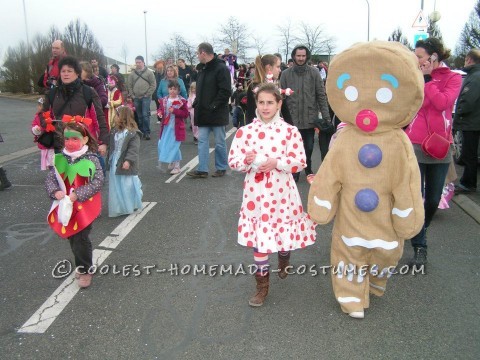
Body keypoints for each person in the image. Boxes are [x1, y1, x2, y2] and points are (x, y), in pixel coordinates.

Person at [308, 40, 425, 319]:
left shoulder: (398, 141)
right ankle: (350, 296)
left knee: (386, 255)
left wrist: (407, 213)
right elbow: (330, 173)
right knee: (348, 253)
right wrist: (322, 201)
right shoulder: (346, 138)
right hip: (350, 217)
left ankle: (376, 279)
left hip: (385, 219)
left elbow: (407, 181)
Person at [229, 83, 316, 307]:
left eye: (270, 102)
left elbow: (300, 162)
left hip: (282, 192)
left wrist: (277, 162)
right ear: (256, 104)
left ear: (279, 104)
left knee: (283, 234)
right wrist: (246, 162)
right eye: (261, 102)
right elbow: (233, 161)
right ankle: (261, 287)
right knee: (260, 241)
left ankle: (284, 255)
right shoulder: (245, 132)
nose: (265, 107)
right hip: (255, 194)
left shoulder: (290, 132)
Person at [405, 37, 462, 267]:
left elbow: (441, 103)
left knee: (433, 200)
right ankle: (420, 245)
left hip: (440, 146)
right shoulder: (413, 76)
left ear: (434, 57)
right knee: (416, 198)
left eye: (419, 56)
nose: (416, 60)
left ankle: (419, 228)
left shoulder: (453, 78)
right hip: (415, 144)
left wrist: (428, 81)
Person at [45, 120, 104, 288]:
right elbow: (51, 178)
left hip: (84, 207)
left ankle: (85, 269)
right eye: (67, 138)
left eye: (75, 139)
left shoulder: (92, 159)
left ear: (84, 140)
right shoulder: (60, 158)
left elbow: (98, 181)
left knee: (81, 238)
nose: (70, 143)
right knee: (72, 236)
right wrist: (55, 191)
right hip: (66, 206)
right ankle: (82, 263)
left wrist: (77, 194)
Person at [280, 45, 331, 181]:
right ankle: (295, 170)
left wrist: (326, 117)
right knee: (293, 147)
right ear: (294, 56)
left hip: (310, 118)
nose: (301, 58)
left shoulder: (314, 73)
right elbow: (280, 97)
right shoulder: (285, 74)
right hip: (292, 118)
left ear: (306, 56)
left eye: (303, 56)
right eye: (298, 56)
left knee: (308, 147)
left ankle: (307, 166)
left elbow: (321, 95)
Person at [42, 56, 109, 157]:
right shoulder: (52, 94)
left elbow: (99, 118)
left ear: (77, 73)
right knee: (62, 172)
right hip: (61, 144)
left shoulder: (88, 92)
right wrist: (45, 126)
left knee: (86, 171)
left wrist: (103, 141)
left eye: (69, 71)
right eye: (63, 71)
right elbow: (44, 116)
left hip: (85, 143)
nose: (66, 74)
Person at [186, 42, 231, 178]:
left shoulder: (221, 68)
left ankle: (221, 167)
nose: (197, 56)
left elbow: (225, 91)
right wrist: (196, 101)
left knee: (220, 143)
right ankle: (202, 169)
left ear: (203, 53)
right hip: (203, 112)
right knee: (202, 141)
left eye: (197, 53)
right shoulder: (202, 69)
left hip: (216, 113)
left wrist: (214, 105)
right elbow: (200, 89)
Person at [107, 106, 143, 217]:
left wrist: (128, 160)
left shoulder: (132, 133)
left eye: (117, 115)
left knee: (127, 184)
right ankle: (119, 206)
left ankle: (130, 204)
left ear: (123, 117)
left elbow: (133, 149)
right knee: (116, 184)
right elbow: (112, 146)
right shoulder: (115, 131)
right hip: (115, 161)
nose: (115, 117)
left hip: (125, 162)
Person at [453, 48, 480, 193]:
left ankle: (468, 183)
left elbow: (467, 101)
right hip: (474, 121)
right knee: (471, 154)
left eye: (465, 59)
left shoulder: (475, 77)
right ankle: (468, 182)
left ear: (469, 59)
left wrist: (459, 115)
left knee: (470, 155)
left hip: (471, 123)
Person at [246, 54, 293, 125]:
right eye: (277, 67)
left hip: (277, 127)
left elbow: (284, 110)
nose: (280, 70)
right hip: (260, 129)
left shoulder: (277, 84)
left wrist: (291, 128)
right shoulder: (254, 87)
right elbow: (251, 113)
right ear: (269, 68)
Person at [157, 79, 189, 174]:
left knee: (174, 146)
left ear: (178, 90)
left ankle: (177, 166)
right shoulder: (164, 100)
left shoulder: (182, 101)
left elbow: (185, 114)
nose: (172, 91)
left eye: (175, 89)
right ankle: (171, 161)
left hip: (176, 128)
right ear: (168, 89)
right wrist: (160, 113)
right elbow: (160, 109)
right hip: (166, 127)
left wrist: (175, 111)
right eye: (171, 89)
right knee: (162, 144)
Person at [127, 55, 157, 140]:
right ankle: (141, 131)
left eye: (139, 62)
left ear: (143, 62)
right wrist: (132, 95)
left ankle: (147, 132)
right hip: (136, 97)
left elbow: (153, 84)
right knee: (139, 116)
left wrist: (147, 94)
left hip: (146, 97)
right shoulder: (132, 74)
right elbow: (129, 85)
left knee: (145, 115)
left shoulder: (149, 73)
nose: (138, 64)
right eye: (136, 62)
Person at [31, 98, 55, 170]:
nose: (38, 107)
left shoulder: (52, 115)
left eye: (40, 105)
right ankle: (53, 174)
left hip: (52, 141)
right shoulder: (37, 116)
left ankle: (54, 174)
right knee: (49, 159)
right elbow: (33, 125)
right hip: (44, 141)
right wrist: (36, 129)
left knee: (53, 159)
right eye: (39, 105)